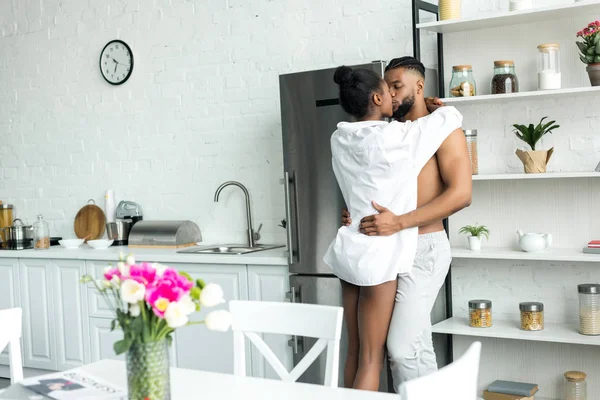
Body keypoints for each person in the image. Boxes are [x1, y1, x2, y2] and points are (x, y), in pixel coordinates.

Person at [324, 65, 463, 391]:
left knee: (356, 351)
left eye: (399, 86)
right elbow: (446, 119)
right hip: (380, 252)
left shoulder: (338, 136)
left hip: (351, 245)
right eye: (390, 89)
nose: (394, 94)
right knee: (374, 357)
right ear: (378, 97)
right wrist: (435, 109)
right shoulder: (398, 136)